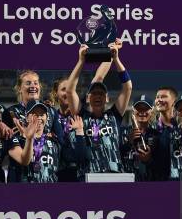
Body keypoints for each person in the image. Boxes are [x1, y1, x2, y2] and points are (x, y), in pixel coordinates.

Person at [66, 39, 132, 178]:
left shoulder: (114, 115)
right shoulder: (81, 116)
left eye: (101, 93)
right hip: (89, 175)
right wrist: (81, 61)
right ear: (88, 98)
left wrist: (116, 59)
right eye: (94, 93)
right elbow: (70, 90)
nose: (97, 96)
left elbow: (128, 87)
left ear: (107, 98)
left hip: (116, 175)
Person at [120, 95, 159, 181]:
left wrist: (148, 159)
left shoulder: (157, 134)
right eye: (139, 109)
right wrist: (128, 143)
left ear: (151, 111)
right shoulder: (122, 132)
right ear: (133, 111)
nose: (142, 112)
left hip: (150, 183)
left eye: (146, 109)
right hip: (127, 182)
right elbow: (116, 156)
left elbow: (162, 163)